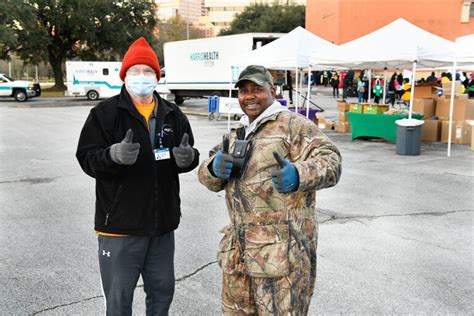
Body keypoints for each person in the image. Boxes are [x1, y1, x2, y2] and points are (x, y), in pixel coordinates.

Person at [197, 65, 342, 315]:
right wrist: (213, 168)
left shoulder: (293, 126)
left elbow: (331, 161)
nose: (249, 96)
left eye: (257, 89)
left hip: (281, 259)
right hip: (239, 255)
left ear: (272, 91)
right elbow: (208, 176)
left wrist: (298, 174)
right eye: (243, 91)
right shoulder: (239, 132)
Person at [76, 37, 200, 315]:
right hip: (119, 228)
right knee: (119, 304)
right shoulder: (104, 114)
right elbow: (85, 158)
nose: (141, 77)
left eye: (148, 71)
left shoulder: (172, 114)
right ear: (124, 76)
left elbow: (189, 152)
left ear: (157, 77)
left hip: (162, 227)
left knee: (162, 295)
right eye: (135, 71)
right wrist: (112, 155)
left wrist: (189, 159)